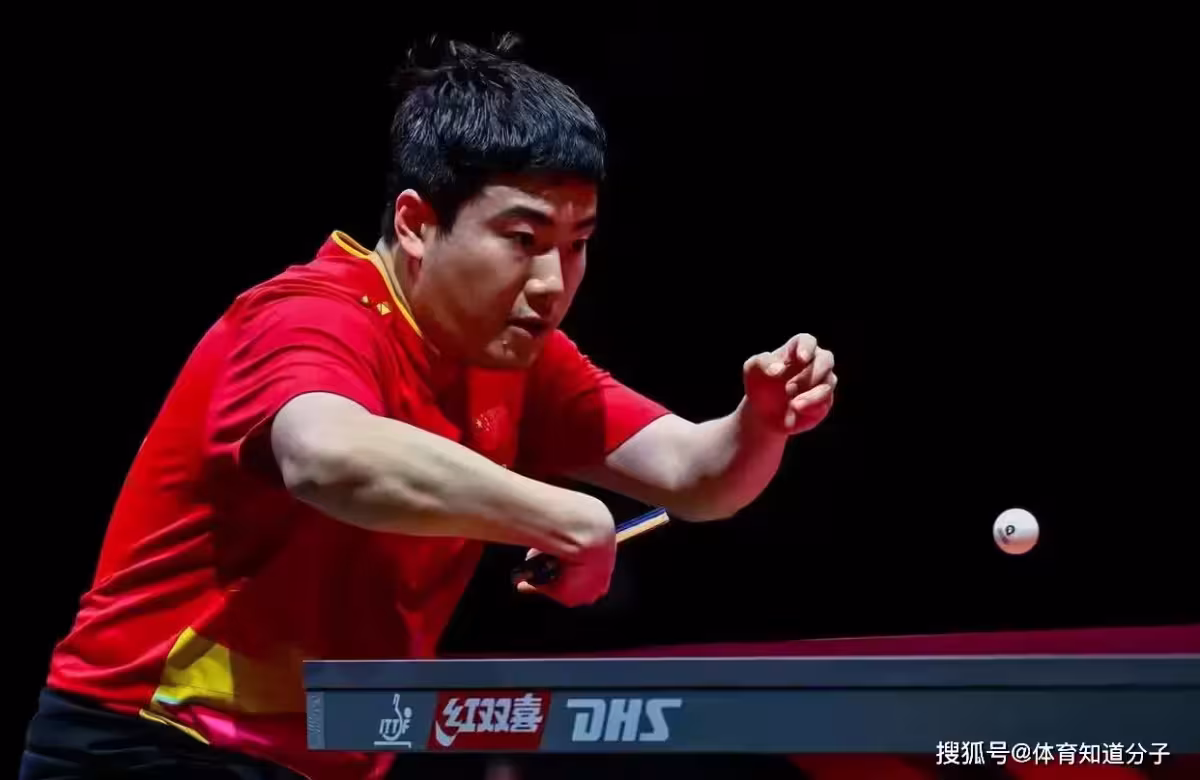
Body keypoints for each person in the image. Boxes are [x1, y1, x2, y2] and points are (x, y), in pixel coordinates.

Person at [22, 34, 836, 780]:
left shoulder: (511, 354)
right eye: (522, 240)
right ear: (416, 223)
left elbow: (697, 479)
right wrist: (565, 516)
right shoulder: (310, 316)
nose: (553, 283)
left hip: (325, 759)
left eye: (578, 243)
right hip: (152, 742)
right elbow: (328, 456)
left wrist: (759, 422)